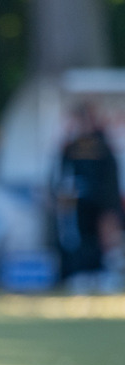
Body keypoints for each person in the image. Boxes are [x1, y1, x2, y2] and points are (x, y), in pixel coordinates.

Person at [55, 103, 125, 293]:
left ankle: (107, 276)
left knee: (107, 242)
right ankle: (83, 274)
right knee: (82, 240)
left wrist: (111, 207)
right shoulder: (71, 147)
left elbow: (111, 178)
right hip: (79, 204)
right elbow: (62, 175)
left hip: (102, 203)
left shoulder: (102, 146)